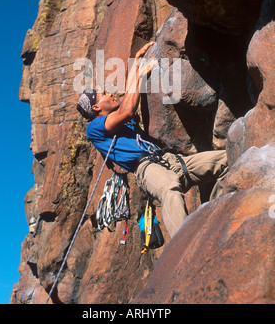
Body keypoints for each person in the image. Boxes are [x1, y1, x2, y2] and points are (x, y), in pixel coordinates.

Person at [77, 42, 228, 238]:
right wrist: (140, 75)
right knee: (169, 189)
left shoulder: (118, 117)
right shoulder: (94, 128)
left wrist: (136, 61)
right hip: (147, 168)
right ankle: (183, 249)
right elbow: (128, 109)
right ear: (96, 108)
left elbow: (131, 92)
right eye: (104, 94)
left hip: (170, 160)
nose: (110, 94)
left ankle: (215, 214)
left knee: (227, 159)